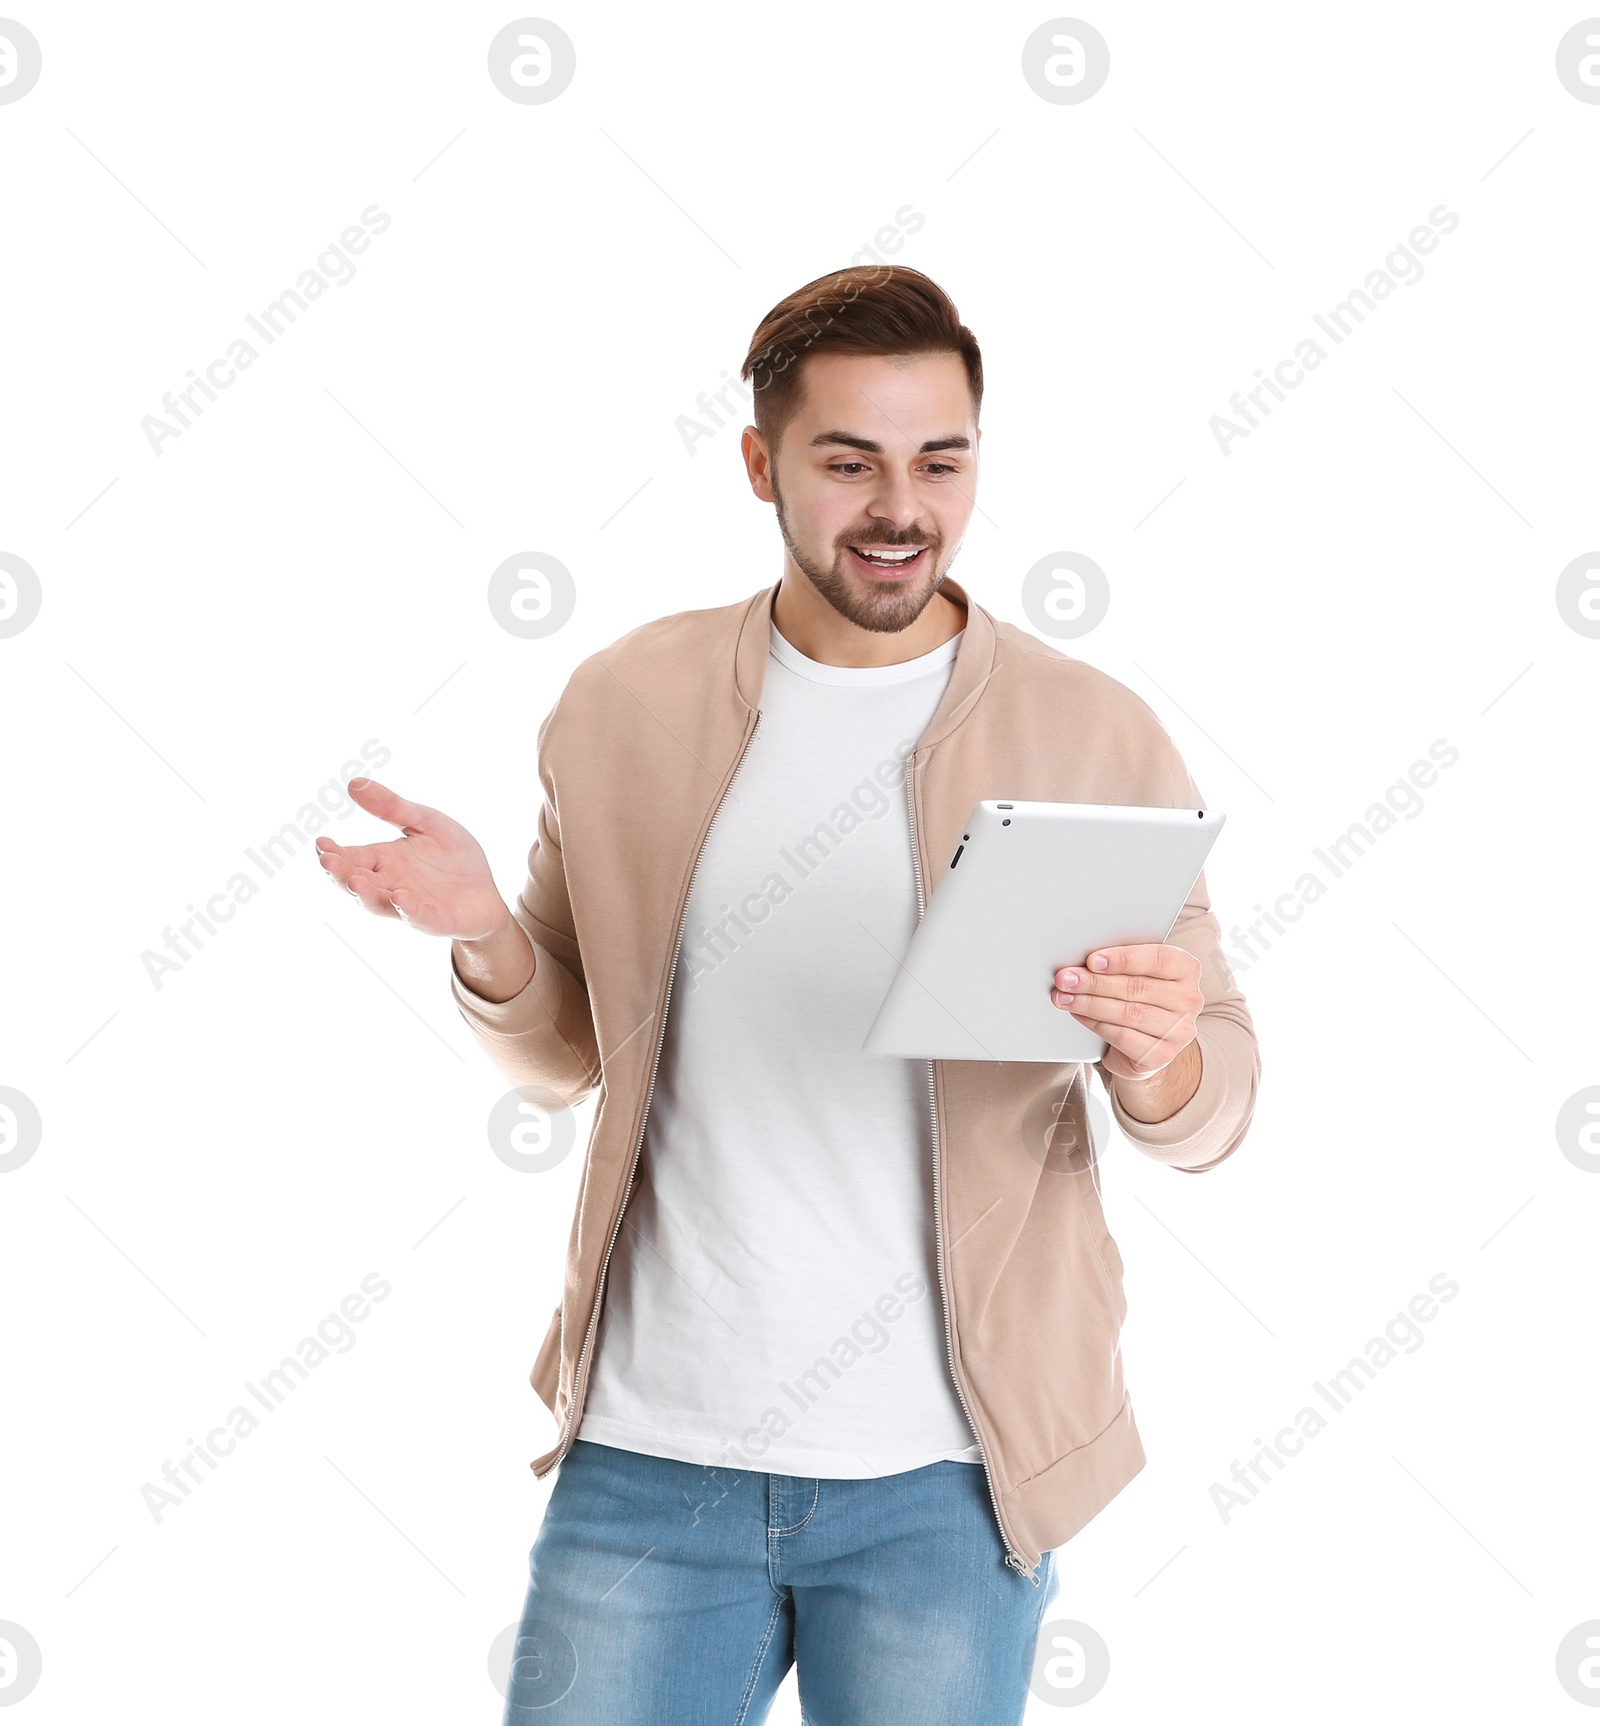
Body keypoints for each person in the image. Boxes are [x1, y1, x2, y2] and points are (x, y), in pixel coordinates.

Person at [316, 265, 1261, 1725]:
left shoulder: (1092, 730)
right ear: (761, 463)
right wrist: (487, 933)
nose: (901, 505)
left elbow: (1214, 1100)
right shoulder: (623, 700)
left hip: (950, 1479)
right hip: (647, 1463)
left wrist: (1156, 1060)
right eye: (849, 461)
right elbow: (572, 1051)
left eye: (940, 460)